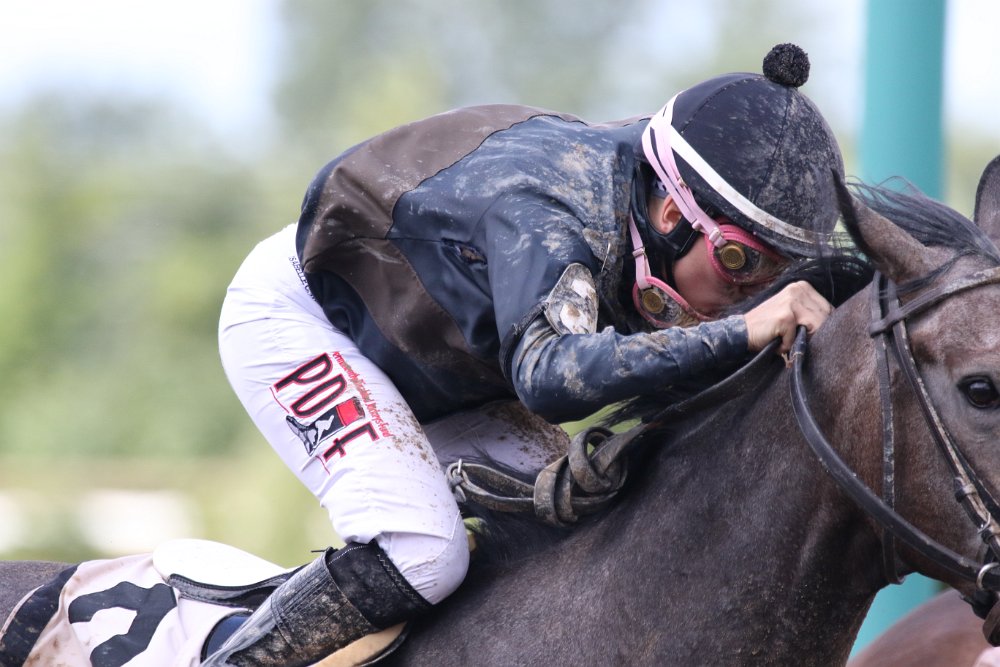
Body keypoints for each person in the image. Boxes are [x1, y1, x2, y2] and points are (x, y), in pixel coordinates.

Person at [206, 42, 846, 666]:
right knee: (422, 553)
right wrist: (739, 333)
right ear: (673, 216)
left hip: (446, 367)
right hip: (307, 318)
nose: (754, 295)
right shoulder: (550, 216)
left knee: (583, 526)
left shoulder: (652, 190)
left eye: (778, 275)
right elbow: (549, 377)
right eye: (741, 262)